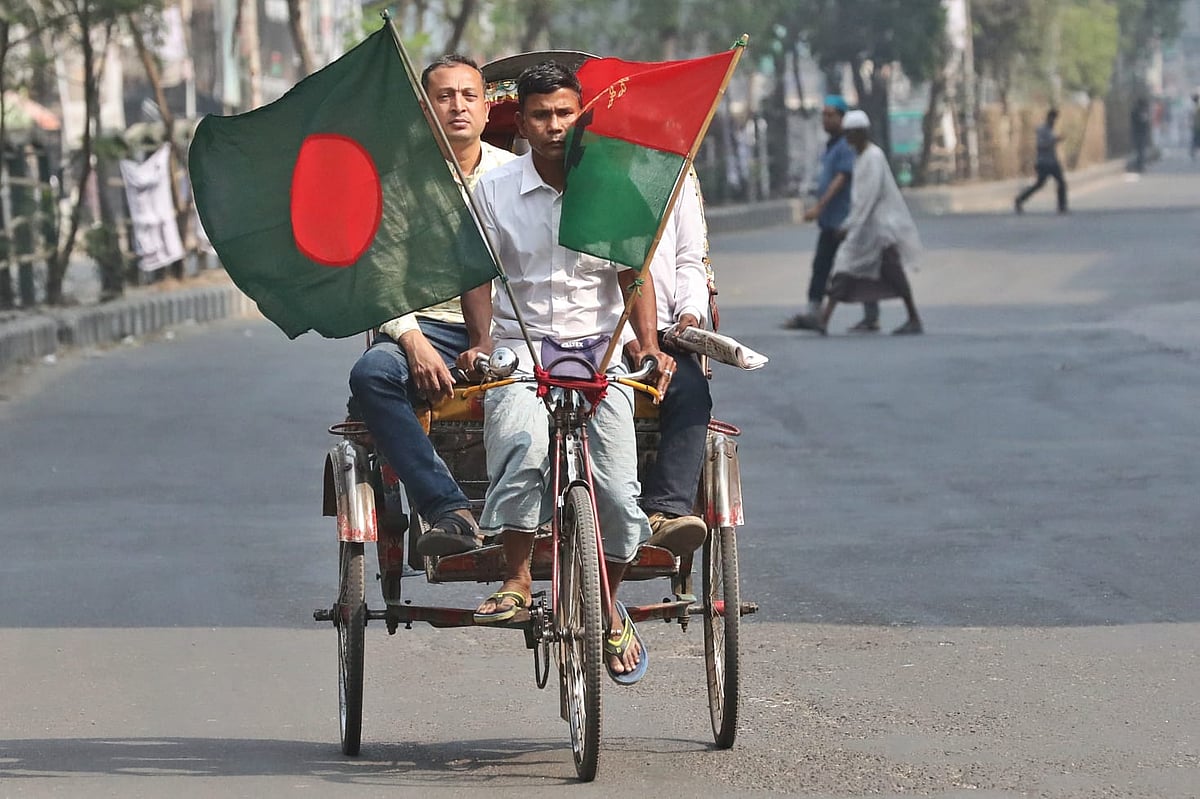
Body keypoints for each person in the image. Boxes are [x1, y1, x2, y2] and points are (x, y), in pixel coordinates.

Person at [458, 61, 672, 683]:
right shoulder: (494, 192)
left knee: (616, 489)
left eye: (565, 114)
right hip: (524, 344)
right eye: (541, 116)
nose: (554, 126)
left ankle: (609, 602)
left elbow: (634, 272)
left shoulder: (609, 183)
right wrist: (479, 341)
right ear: (520, 124)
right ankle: (518, 575)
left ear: (582, 117)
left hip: (601, 347)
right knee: (520, 440)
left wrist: (649, 344)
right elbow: (478, 273)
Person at [348, 55, 516, 557]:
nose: (458, 107)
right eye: (445, 97)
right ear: (426, 110)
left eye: (469, 96)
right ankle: (448, 508)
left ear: (488, 110)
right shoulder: (399, 182)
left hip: (512, 326)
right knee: (372, 374)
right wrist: (412, 340)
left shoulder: (516, 176)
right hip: (427, 326)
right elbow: (380, 274)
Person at [634, 168, 711, 557]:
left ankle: (665, 509)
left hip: (666, 328)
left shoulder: (676, 170)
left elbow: (690, 258)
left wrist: (690, 315)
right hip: (594, 329)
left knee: (692, 392)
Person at [812, 110, 923, 336]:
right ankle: (825, 320)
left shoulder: (874, 157)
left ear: (860, 133)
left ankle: (913, 318)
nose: (847, 139)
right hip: (863, 227)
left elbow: (869, 198)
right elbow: (859, 199)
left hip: (879, 229)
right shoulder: (860, 157)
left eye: (851, 134)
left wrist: (849, 226)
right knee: (845, 268)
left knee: (891, 273)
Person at [783, 95, 879, 333]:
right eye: (823, 115)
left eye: (830, 115)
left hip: (844, 220)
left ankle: (864, 315)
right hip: (831, 221)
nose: (825, 120)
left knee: (855, 266)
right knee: (824, 266)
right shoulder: (832, 146)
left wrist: (819, 207)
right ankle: (815, 313)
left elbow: (841, 178)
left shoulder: (846, 146)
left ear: (842, 118)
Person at [1015, 108, 1067, 214]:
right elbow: (1040, 145)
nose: (1054, 121)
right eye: (1053, 119)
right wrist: (1054, 141)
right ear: (1049, 118)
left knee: (1061, 183)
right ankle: (1020, 199)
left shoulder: (1052, 130)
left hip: (1052, 161)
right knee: (1039, 184)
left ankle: (1062, 206)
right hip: (1043, 162)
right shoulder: (1042, 130)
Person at [1131, 96, 1151, 173]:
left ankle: (1139, 165)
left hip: (1137, 133)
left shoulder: (1135, 111)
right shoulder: (1140, 112)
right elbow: (1144, 122)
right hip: (1140, 133)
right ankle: (1140, 166)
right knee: (1141, 151)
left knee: (1140, 150)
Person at [1190, 94, 1199, 162]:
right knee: (1195, 140)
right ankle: (1193, 152)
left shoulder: (1195, 107)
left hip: (1196, 126)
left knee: (1195, 140)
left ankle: (1193, 151)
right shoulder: (1195, 107)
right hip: (1196, 126)